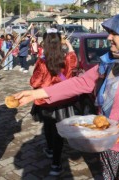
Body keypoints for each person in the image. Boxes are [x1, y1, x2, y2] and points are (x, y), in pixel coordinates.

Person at [11, 13, 119, 179]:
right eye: (109, 32)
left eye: (114, 33)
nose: (108, 37)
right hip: (109, 142)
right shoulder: (111, 61)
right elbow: (81, 83)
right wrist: (37, 93)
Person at [29, 28, 77, 176]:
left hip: (45, 100)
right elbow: (73, 64)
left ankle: (51, 153)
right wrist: (68, 45)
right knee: (58, 132)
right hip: (62, 101)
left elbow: (34, 82)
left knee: (48, 126)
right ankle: (56, 163)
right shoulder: (67, 59)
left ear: (46, 43)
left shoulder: (42, 62)